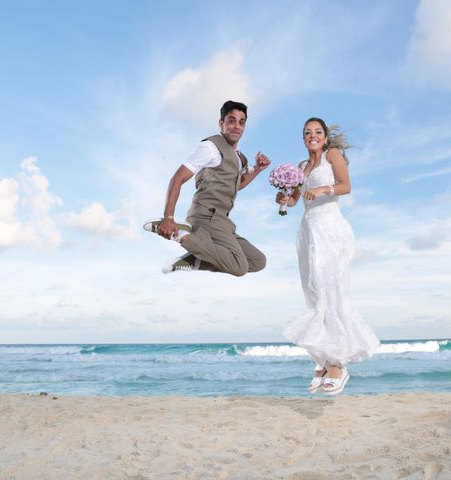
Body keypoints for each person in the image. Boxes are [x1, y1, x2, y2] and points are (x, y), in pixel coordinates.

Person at [276, 117, 379, 396]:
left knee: (332, 290)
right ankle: (322, 360)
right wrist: (284, 199)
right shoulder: (301, 167)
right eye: (307, 132)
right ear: (303, 137)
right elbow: (296, 200)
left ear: (324, 136)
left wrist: (323, 189)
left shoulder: (332, 155)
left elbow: (346, 186)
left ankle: (338, 364)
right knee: (314, 293)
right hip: (309, 232)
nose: (313, 136)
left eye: (317, 132)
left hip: (331, 229)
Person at [145, 100, 270, 275]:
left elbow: (237, 185)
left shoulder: (239, 156)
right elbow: (177, 178)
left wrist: (257, 169)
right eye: (231, 120)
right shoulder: (210, 148)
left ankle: (196, 258)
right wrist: (168, 216)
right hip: (206, 217)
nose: (236, 126)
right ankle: (181, 235)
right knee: (239, 267)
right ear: (221, 123)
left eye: (241, 122)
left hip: (223, 221)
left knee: (257, 261)